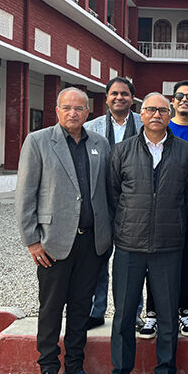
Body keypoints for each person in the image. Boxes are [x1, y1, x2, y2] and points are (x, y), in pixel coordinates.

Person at [16, 87, 112, 374]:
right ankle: (47, 370)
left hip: (91, 243)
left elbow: (107, 192)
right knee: (51, 307)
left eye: (79, 108)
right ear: (57, 110)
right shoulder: (38, 141)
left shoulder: (100, 144)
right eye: (67, 107)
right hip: (53, 243)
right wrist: (32, 240)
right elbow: (25, 194)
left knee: (82, 308)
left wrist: (108, 235)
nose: (73, 113)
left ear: (88, 113)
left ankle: (74, 368)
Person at [105, 92, 188, 374]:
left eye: (162, 110)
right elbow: (113, 195)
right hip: (129, 245)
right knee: (124, 315)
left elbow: (187, 197)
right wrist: (124, 228)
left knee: (168, 317)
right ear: (140, 114)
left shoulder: (185, 152)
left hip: (169, 246)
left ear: (169, 115)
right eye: (150, 109)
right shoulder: (122, 150)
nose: (156, 114)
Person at [137, 80, 188, 340]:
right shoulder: (163, 129)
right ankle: (153, 313)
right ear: (172, 102)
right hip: (162, 208)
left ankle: (184, 311)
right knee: (155, 261)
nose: (184, 100)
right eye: (179, 96)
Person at [83, 77, 142, 331]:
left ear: (132, 98)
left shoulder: (144, 123)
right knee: (98, 260)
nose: (119, 98)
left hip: (134, 204)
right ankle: (96, 311)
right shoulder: (90, 127)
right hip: (101, 204)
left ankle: (133, 313)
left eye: (124, 94)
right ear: (106, 98)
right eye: (114, 94)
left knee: (132, 264)